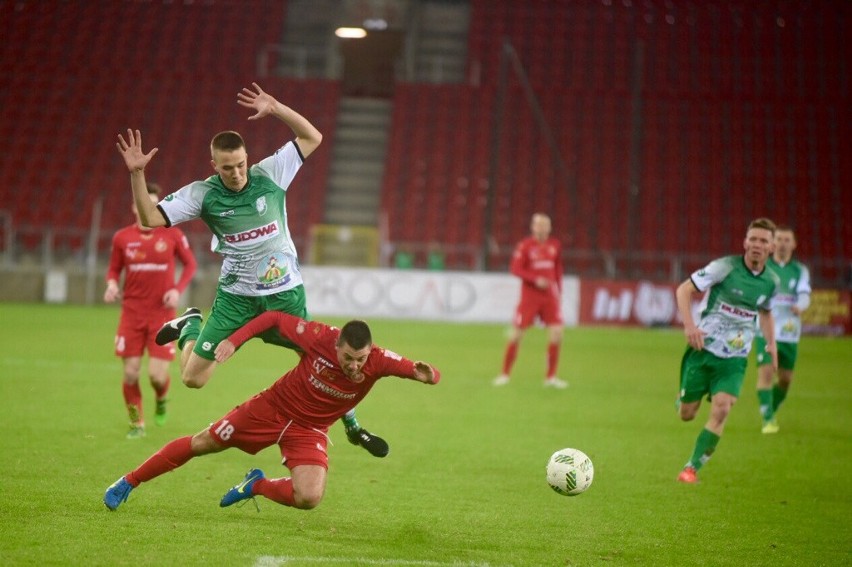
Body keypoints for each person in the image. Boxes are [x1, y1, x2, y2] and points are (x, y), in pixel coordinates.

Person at [115, 82, 387, 457]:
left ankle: (354, 426)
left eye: (241, 164)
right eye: (228, 168)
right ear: (215, 166)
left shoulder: (270, 174)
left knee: (322, 357)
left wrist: (275, 108)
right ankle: (190, 325)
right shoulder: (203, 193)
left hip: (284, 295)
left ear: (248, 158)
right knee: (194, 379)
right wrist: (137, 174)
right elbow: (148, 216)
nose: (237, 173)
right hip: (236, 300)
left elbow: (312, 136)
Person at [103, 312, 440, 511]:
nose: (355, 365)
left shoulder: (379, 361)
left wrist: (428, 375)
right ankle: (129, 481)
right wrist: (235, 341)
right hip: (271, 409)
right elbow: (273, 319)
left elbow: (426, 372)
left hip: (309, 430)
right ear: (337, 345)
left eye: (361, 359)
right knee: (202, 443)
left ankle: (257, 485)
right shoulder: (320, 336)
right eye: (348, 357)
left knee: (309, 497)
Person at [674, 217, 780, 483]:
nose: (757, 244)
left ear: (771, 246)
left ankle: (691, 469)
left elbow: (766, 312)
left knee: (722, 408)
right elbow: (684, 289)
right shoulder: (724, 267)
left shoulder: (771, 281)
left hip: (735, 358)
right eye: (753, 239)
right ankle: (683, 397)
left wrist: (771, 342)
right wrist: (689, 326)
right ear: (745, 242)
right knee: (687, 414)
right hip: (703, 349)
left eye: (763, 240)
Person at [104, 182, 197, 439]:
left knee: (157, 376)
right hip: (132, 314)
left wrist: (177, 289)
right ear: (135, 206)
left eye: (156, 204)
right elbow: (113, 269)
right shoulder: (122, 238)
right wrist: (112, 284)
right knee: (131, 372)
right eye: (145, 203)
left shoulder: (173, 235)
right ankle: (137, 423)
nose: (150, 208)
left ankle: (162, 396)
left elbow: (190, 265)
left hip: (162, 315)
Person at [493, 213, 567, 388]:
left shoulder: (554, 245)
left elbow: (557, 268)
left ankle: (551, 378)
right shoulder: (525, 246)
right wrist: (535, 279)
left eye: (545, 225)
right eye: (539, 225)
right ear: (533, 227)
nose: (542, 228)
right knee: (517, 334)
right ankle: (504, 374)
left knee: (557, 333)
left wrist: (559, 290)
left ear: (549, 228)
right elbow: (515, 268)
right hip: (530, 297)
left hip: (549, 297)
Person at [754, 225, 811, 434]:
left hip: (789, 332)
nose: (783, 243)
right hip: (766, 332)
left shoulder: (800, 270)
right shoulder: (763, 267)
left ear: (794, 244)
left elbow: (805, 294)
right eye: (779, 239)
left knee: (785, 380)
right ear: (772, 243)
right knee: (766, 374)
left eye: (788, 240)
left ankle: (770, 407)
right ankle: (768, 419)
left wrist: (801, 305)